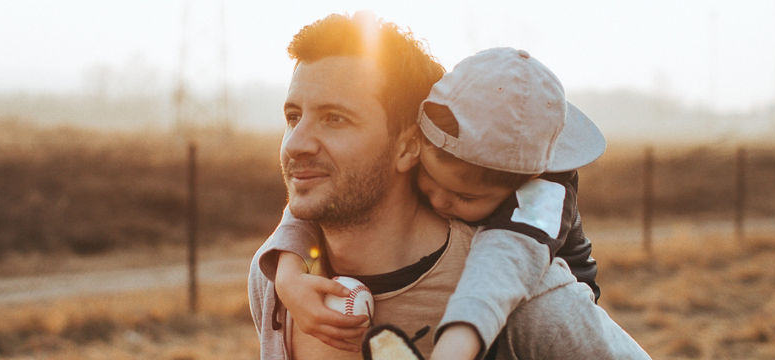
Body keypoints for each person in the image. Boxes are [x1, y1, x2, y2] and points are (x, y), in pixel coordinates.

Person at [248, 11, 648, 360]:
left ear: (409, 146)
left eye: (335, 118)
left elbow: (512, 252)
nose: (296, 143)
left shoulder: (530, 301)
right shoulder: (275, 282)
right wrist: (285, 273)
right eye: (293, 116)